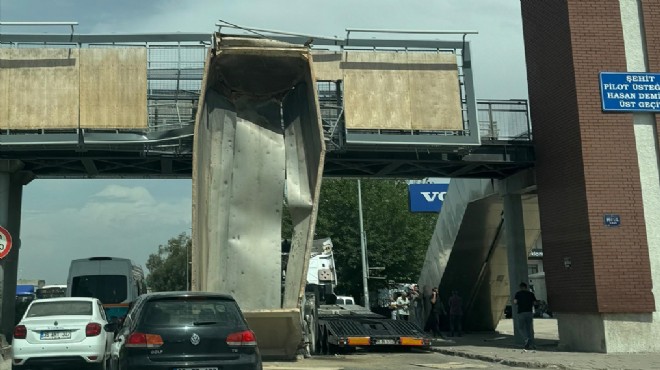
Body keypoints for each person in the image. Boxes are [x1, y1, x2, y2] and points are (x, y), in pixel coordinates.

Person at [514, 282, 538, 350]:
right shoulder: (531, 294)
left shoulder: (518, 294)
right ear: (526, 287)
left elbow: (515, 302)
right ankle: (530, 343)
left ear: (520, 287)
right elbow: (535, 302)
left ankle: (526, 339)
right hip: (529, 312)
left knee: (520, 327)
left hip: (521, 312)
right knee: (528, 328)